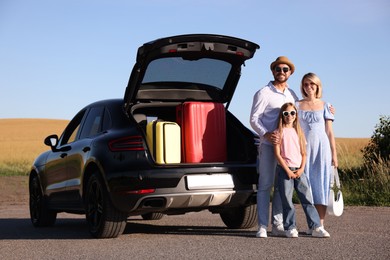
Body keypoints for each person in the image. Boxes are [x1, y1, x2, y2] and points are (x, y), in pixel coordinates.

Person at [250, 56, 299, 238]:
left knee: (281, 187)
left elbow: (299, 116)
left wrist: (327, 109)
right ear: (273, 71)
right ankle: (262, 226)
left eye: (285, 69)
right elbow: (254, 119)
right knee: (265, 185)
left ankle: (277, 225)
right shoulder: (263, 93)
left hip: (287, 148)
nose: (281, 72)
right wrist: (265, 134)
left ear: (290, 73)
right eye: (278, 69)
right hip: (269, 146)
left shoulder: (292, 95)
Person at [274, 102, 330, 238]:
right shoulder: (278, 132)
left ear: (296, 115)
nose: (289, 116)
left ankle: (316, 226)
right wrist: (287, 170)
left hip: (299, 170)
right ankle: (290, 227)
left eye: (292, 113)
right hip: (284, 170)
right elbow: (277, 154)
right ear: (282, 115)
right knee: (287, 201)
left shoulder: (299, 131)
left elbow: (304, 153)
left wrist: (301, 169)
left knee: (307, 199)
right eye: (286, 113)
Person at [296, 72, 338, 230]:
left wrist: (334, 154)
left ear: (317, 86)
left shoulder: (326, 106)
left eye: (312, 84)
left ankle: (320, 224)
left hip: (322, 150)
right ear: (303, 87)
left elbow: (329, 132)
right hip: (304, 150)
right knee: (307, 187)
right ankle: (311, 224)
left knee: (321, 185)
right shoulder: (296, 105)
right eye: (306, 84)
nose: (309, 87)